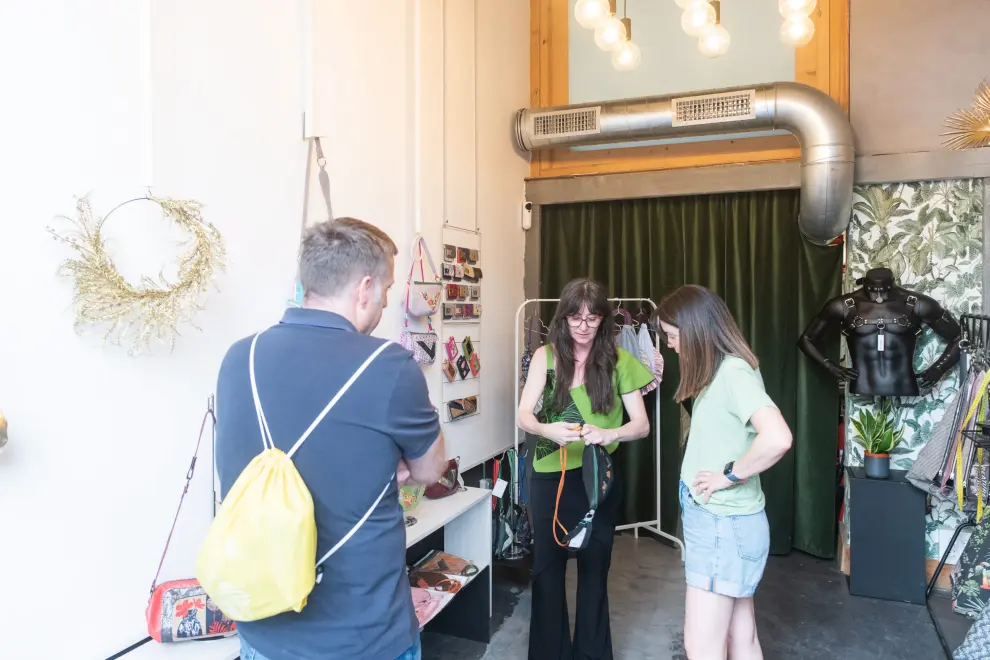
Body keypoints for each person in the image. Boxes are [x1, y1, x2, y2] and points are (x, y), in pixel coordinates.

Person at [215, 217, 447, 660]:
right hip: (362, 633)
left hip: (262, 628)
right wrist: (393, 467)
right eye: (385, 290)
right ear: (364, 288)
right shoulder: (389, 364)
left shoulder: (237, 357)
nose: (383, 305)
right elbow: (430, 470)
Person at [517, 278, 654, 660]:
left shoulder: (620, 361)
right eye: (575, 317)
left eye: (592, 318)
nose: (583, 326)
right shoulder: (546, 357)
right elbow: (523, 414)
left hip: (597, 477)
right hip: (548, 475)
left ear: (603, 321)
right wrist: (547, 428)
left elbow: (641, 426)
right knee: (547, 570)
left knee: (595, 570)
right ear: (562, 318)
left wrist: (605, 432)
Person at [654, 285, 792, 660]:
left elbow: (778, 438)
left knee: (700, 647)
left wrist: (729, 474)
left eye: (671, 336)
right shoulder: (724, 369)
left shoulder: (732, 372)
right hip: (729, 524)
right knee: (739, 638)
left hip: (722, 527)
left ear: (695, 330)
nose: (670, 345)